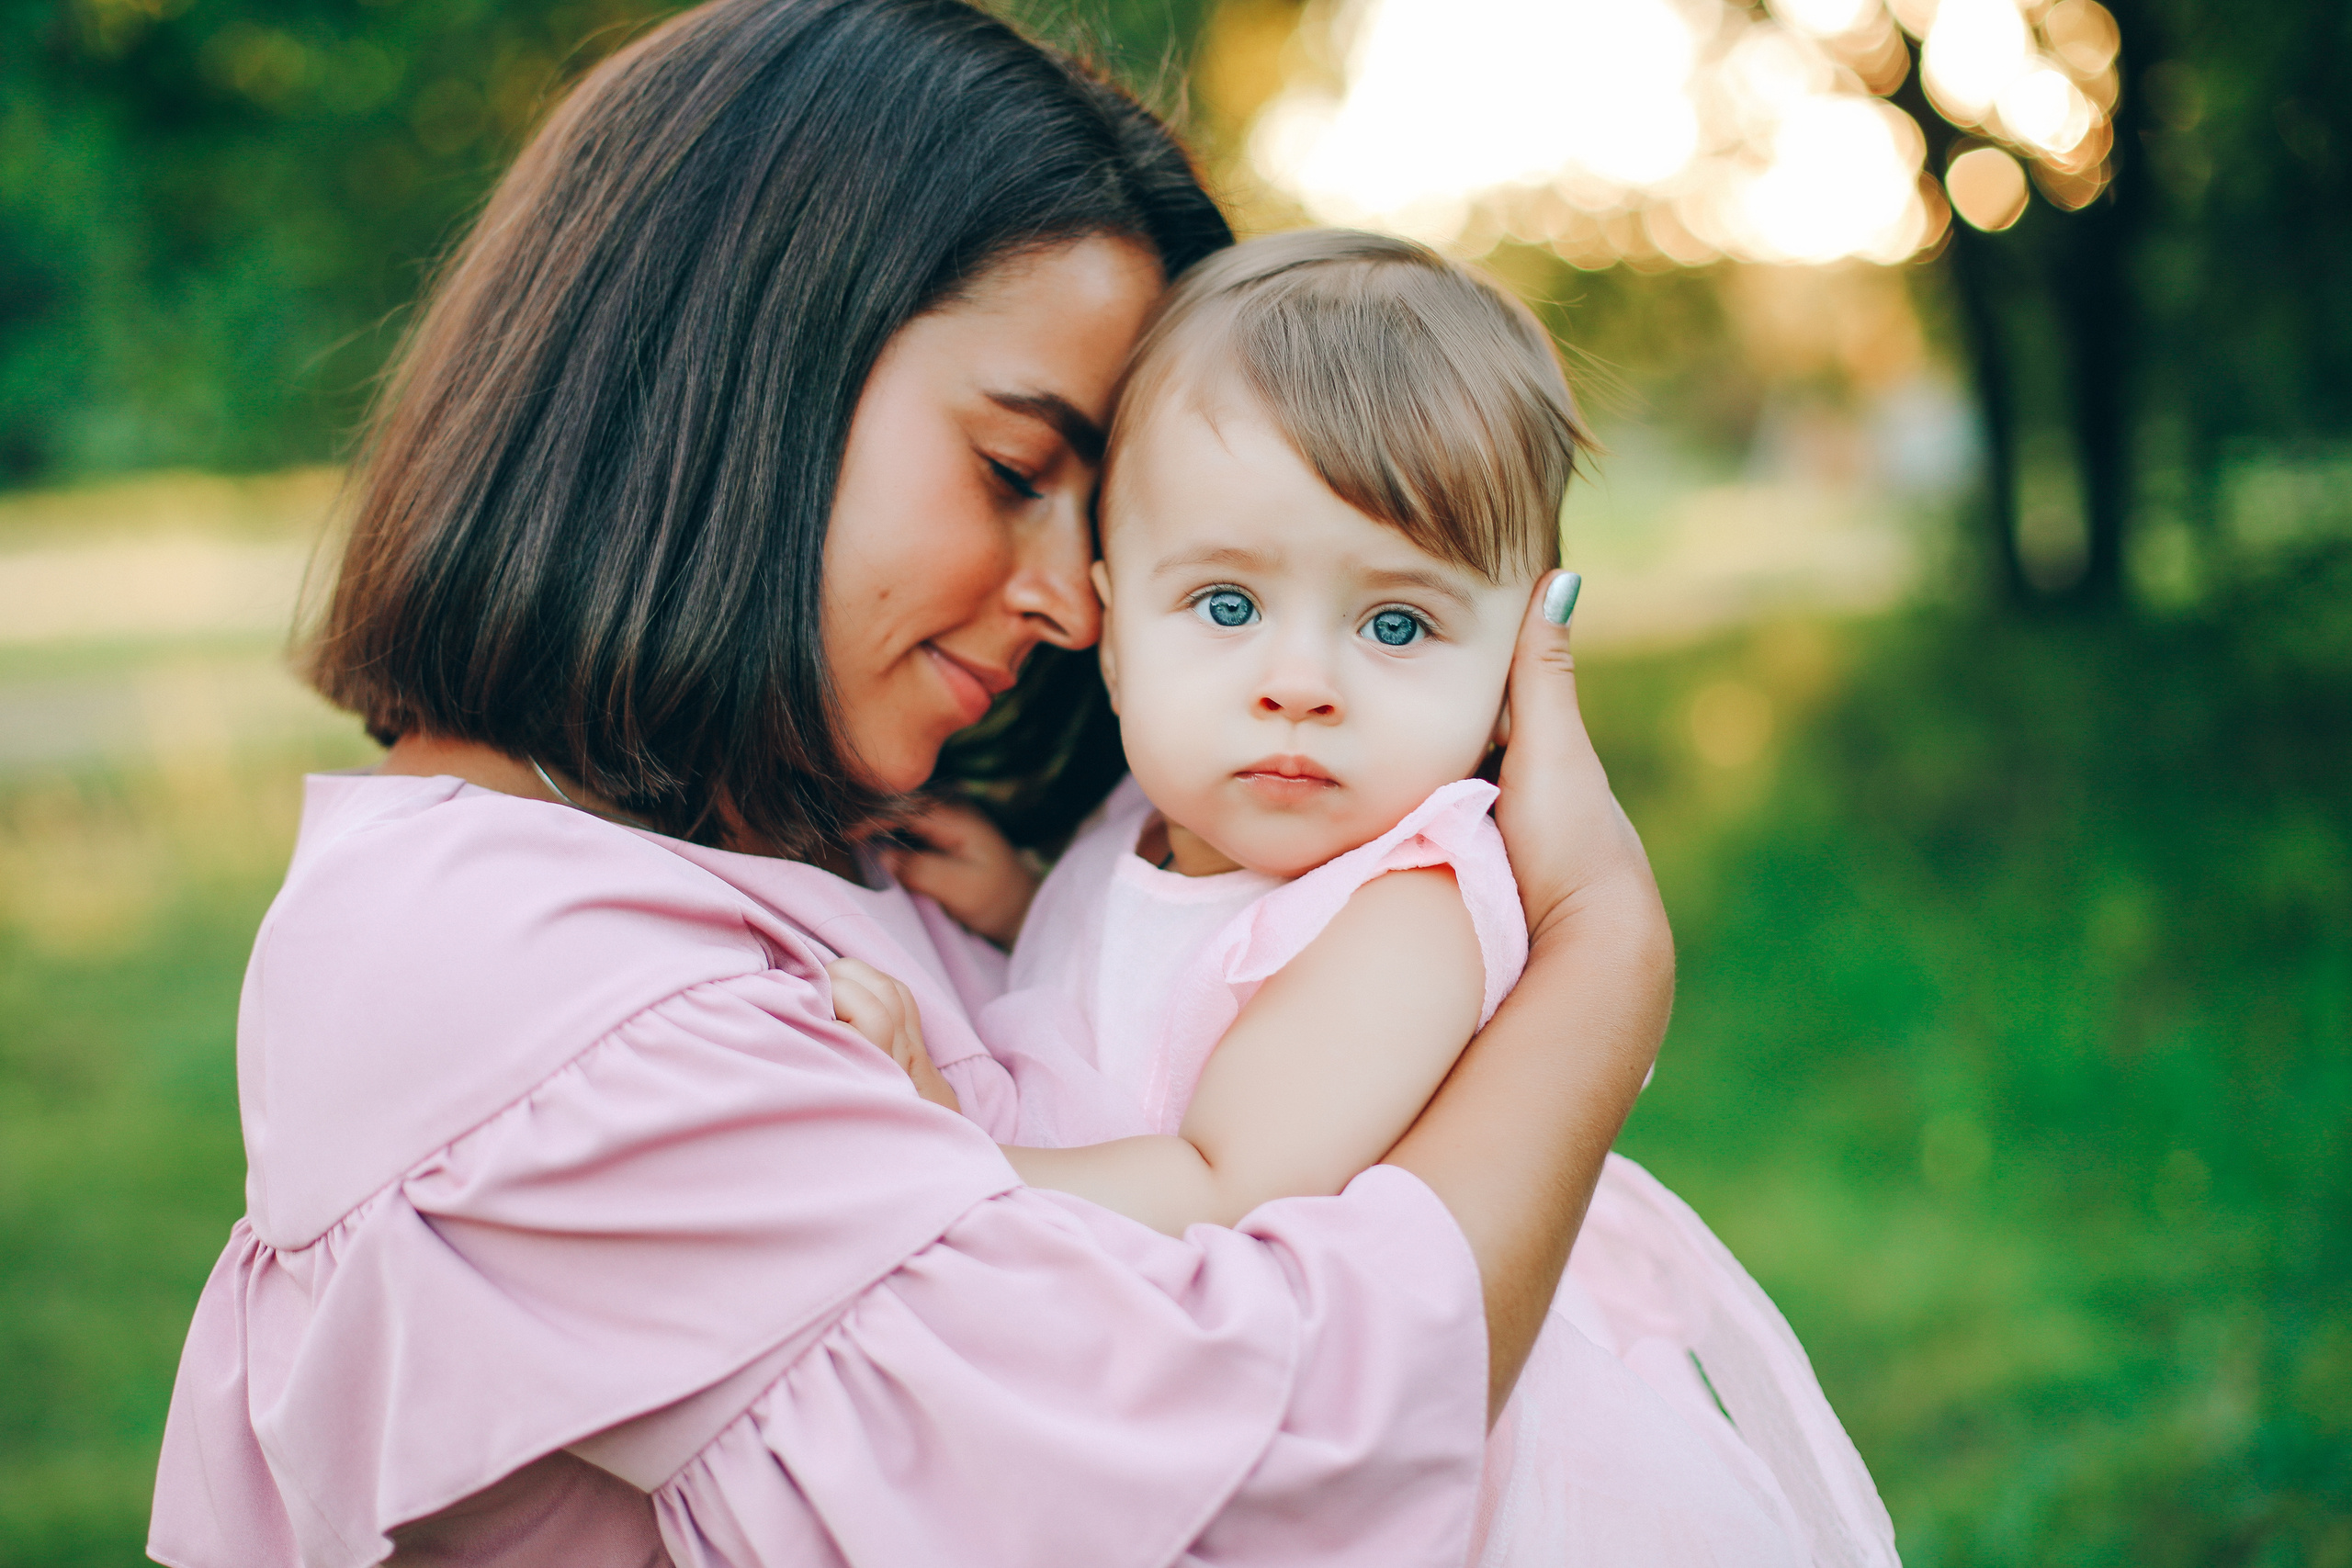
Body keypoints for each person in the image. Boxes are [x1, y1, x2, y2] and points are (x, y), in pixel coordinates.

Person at [147, 4, 1672, 1565]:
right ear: (738, 370)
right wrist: (1600, 953)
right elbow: (1257, 1467)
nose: (1080, 606)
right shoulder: (537, 1003)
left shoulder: (771, 839)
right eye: (1017, 473)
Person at [843, 231, 1901, 1568]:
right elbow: (1147, 984)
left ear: (1516, 664)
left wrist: (958, 1156)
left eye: (1396, 625)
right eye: (1225, 603)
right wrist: (1025, 905)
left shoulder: (1406, 912)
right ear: (1113, 631)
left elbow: (1224, 1177)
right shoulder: (1155, 824)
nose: (1299, 679)